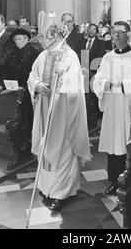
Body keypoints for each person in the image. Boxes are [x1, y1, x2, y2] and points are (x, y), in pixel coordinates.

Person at [28, 12, 91, 211]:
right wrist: (38, 86)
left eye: (45, 37)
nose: (42, 41)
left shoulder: (69, 55)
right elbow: (32, 76)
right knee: (46, 148)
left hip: (63, 113)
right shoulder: (43, 55)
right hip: (45, 111)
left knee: (63, 150)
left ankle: (62, 192)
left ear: (54, 35)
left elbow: (77, 84)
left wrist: (62, 78)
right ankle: (46, 187)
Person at [93, 21, 131, 195]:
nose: (116, 35)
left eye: (120, 32)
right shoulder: (107, 57)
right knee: (113, 145)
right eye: (114, 32)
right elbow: (98, 80)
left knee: (128, 144)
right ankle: (113, 181)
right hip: (112, 106)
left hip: (129, 106)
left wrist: (123, 84)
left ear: (129, 35)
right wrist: (106, 84)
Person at [0, 28, 42, 168]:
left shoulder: (34, 52)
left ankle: (30, 145)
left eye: (20, 39)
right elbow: (7, 72)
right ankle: (22, 146)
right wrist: (1, 85)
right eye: (15, 40)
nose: (18, 42)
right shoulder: (13, 53)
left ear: (27, 39)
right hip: (17, 91)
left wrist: (27, 86)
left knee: (29, 119)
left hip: (31, 91)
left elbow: (35, 73)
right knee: (19, 117)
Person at [82, 23, 107, 131]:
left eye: (93, 29)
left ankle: (97, 118)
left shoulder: (100, 43)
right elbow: (80, 55)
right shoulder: (82, 42)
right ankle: (88, 119)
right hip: (83, 72)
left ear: (96, 32)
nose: (91, 31)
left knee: (94, 95)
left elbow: (100, 58)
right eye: (89, 29)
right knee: (85, 95)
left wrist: (93, 71)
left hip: (94, 73)